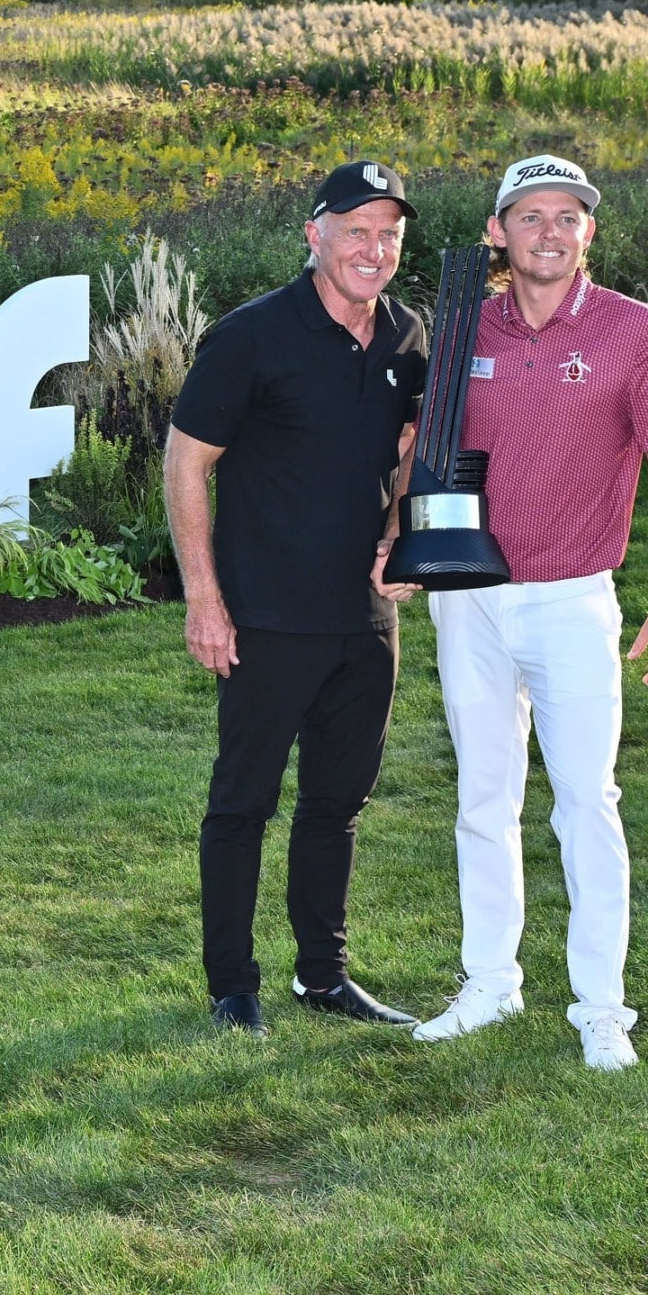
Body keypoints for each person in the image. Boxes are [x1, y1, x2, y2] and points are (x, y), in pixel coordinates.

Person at [405, 155, 648, 1071]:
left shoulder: (631, 331)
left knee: (587, 802)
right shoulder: (462, 326)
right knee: (482, 796)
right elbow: (426, 448)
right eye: (529, 216)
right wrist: (397, 538)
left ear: (588, 233)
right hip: (472, 599)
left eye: (566, 216)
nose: (548, 232)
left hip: (576, 598)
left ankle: (601, 1007)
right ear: (499, 232)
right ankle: (490, 981)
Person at [167, 161, 430, 1035]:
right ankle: (231, 986)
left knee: (337, 803)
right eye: (355, 229)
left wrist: (401, 528)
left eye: (388, 232)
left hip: (365, 620)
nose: (374, 247)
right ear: (313, 235)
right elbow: (186, 462)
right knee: (243, 801)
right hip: (265, 617)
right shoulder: (252, 336)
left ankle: (323, 976)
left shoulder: (407, 337)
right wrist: (205, 598)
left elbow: (402, 454)